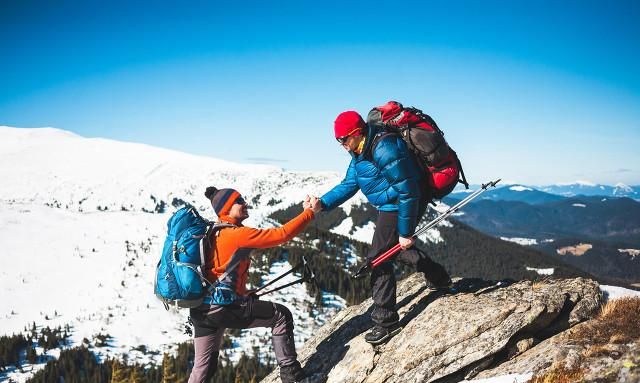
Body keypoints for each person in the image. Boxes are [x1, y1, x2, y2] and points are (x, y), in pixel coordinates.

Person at [316, 110, 451, 345]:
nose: (341, 145)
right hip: (390, 205)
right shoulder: (359, 152)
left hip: (401, 203)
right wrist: (322, 203)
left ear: (357, 133)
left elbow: (408, 190)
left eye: (343, 139)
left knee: (378, 259)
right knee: (393, 250)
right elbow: (349, 184)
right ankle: (438, 277)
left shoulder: (385, 148)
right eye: (338, 141)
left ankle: (386, 322)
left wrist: (406, 231)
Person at [188, 186, 321, 383]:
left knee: (203, 368)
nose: (245, 203)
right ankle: (292, 376)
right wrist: (310, 212)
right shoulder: (236, 235)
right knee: (281, 316)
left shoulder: (212, 233)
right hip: (221, 308)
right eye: (239, 201)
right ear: (226, 208)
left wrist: (241, 294)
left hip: (201, 309)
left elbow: (219, 273)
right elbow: (281, 234)